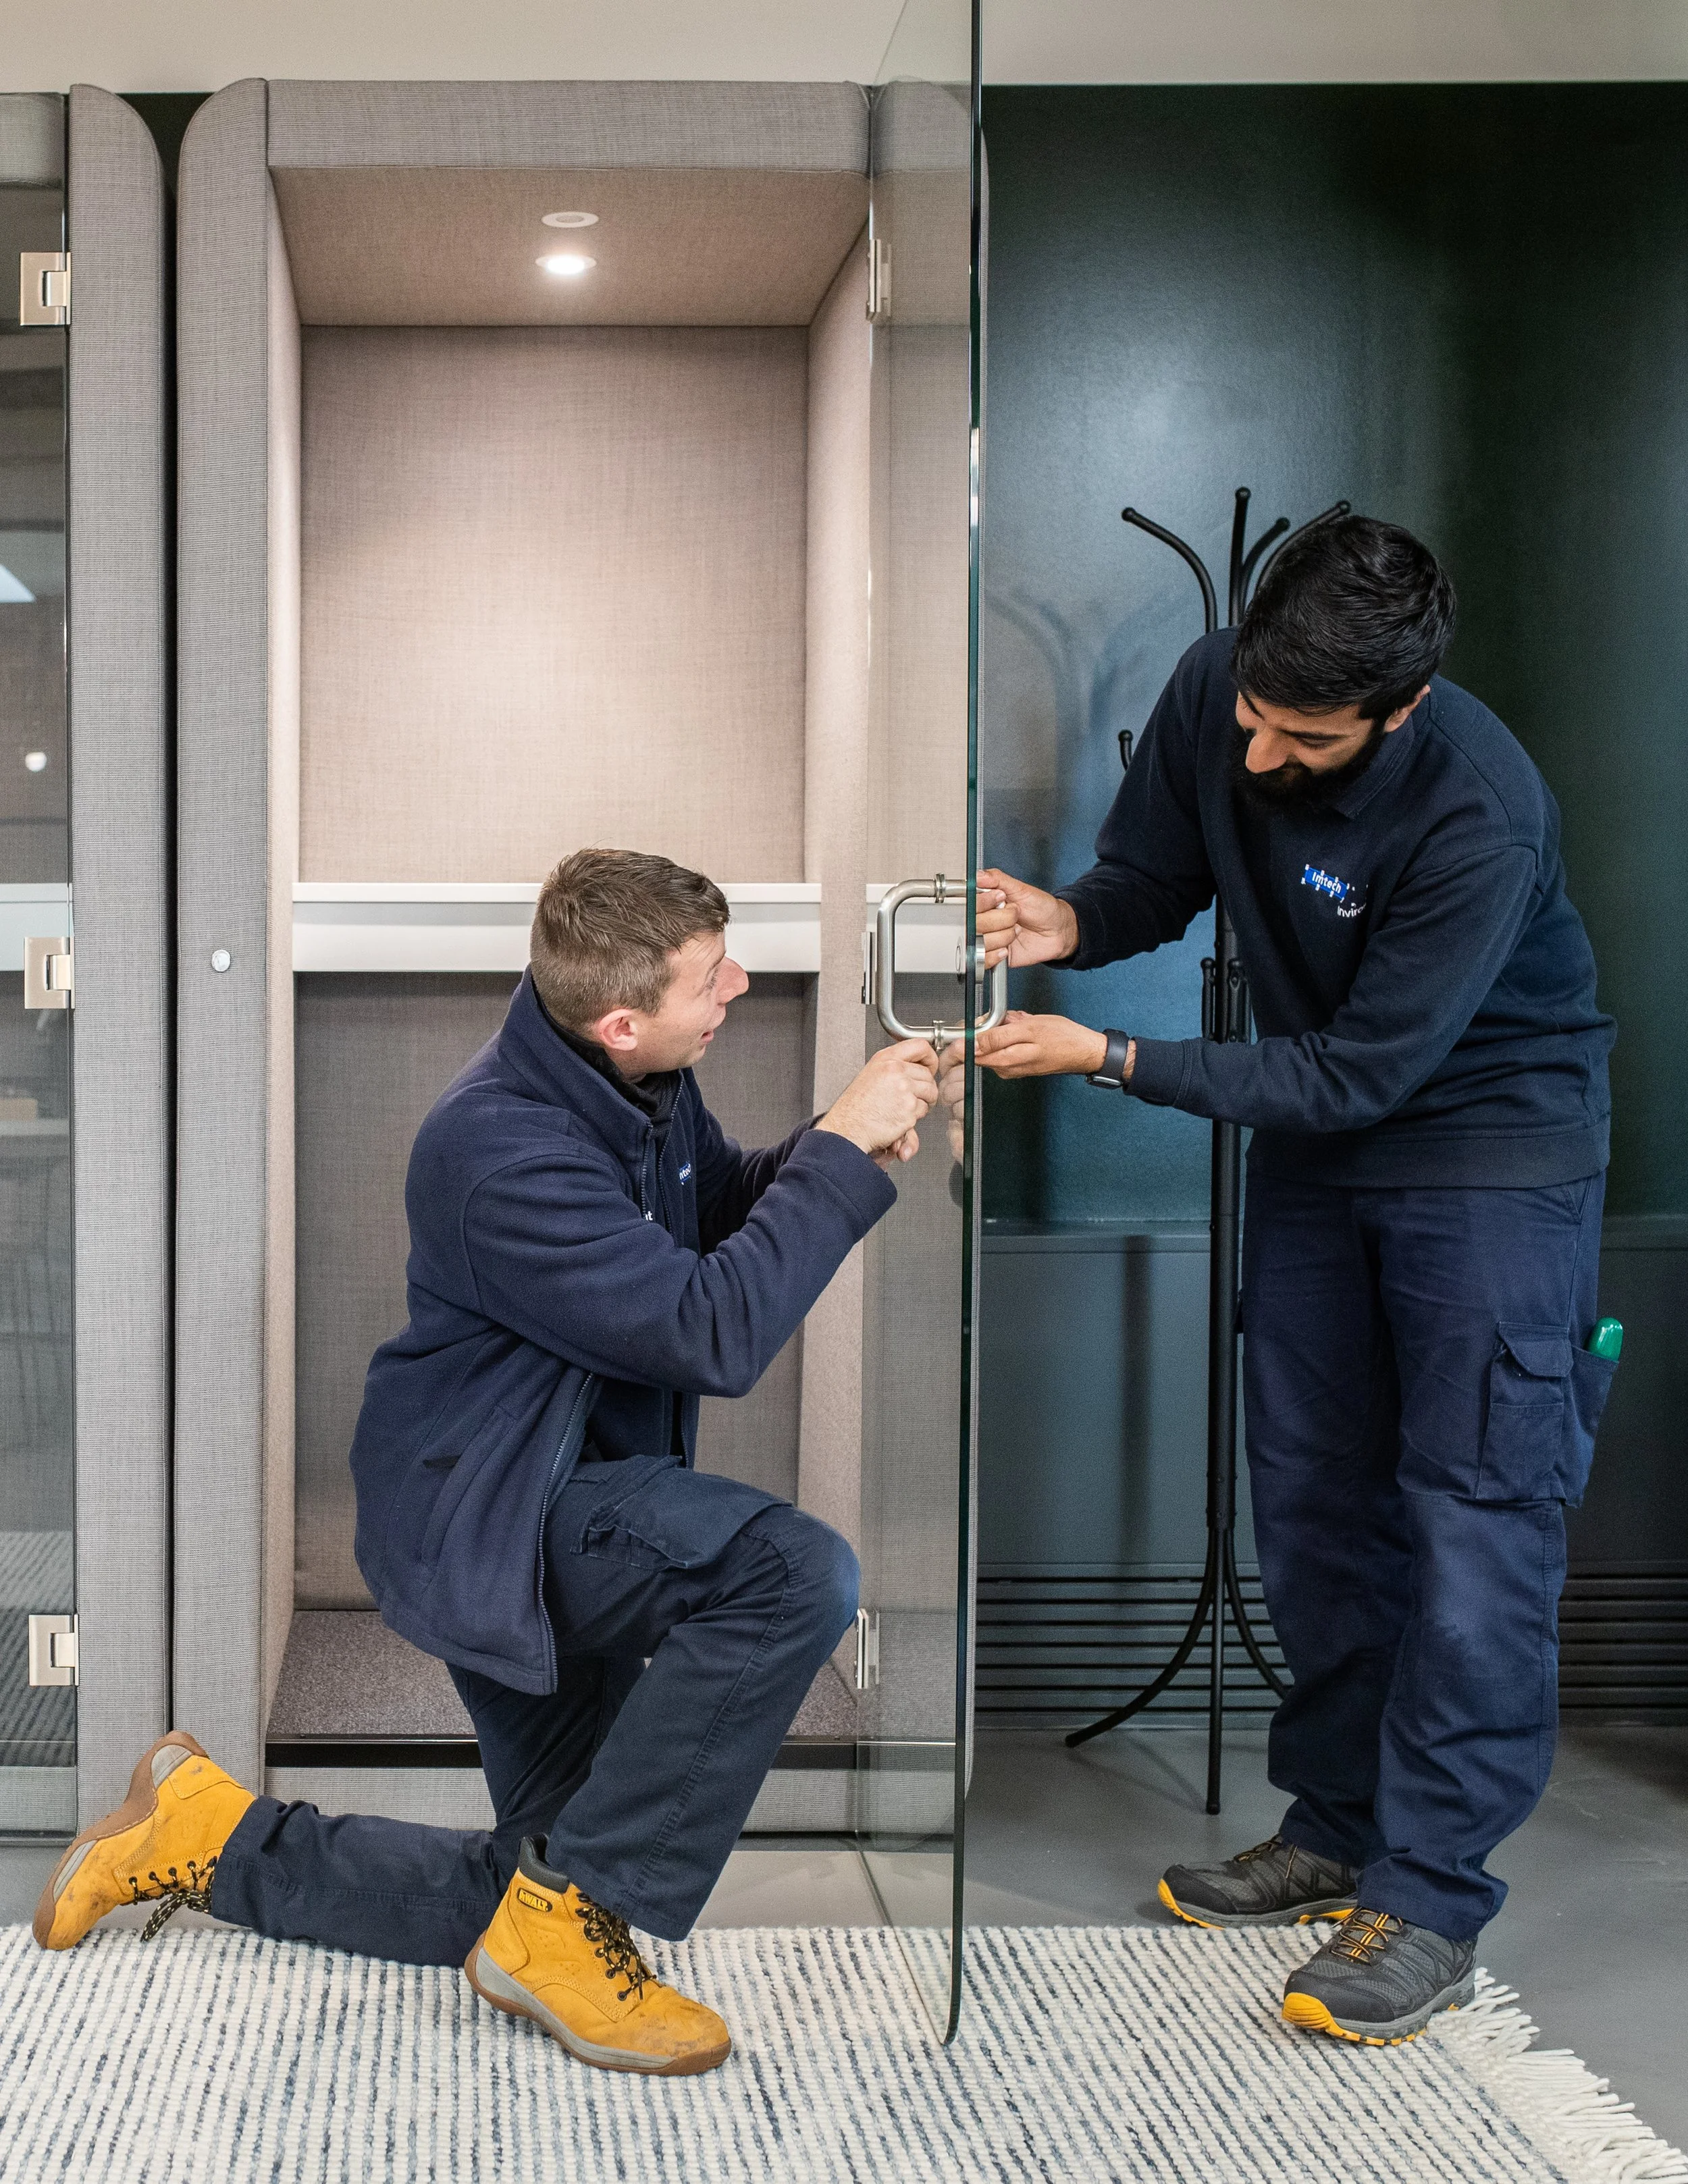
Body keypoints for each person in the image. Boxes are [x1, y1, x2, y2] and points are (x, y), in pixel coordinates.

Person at [35, 849, 940, 2078]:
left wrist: (838, 1141)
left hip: (564, 1486)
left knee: (539, 1886)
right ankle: (563, 1929)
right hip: (497, 1513)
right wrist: (838, 1148)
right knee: (793, 1572)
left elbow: (713, 1203)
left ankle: (207, 1833)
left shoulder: (630, 1075)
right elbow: (708, 1331)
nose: (738, 984)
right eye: (711, 976)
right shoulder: (499, 1148)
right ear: (622, 1018)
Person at [969, 516, 1618, 2047]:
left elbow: (1362, 1070)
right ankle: (1333, 1825)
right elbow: (1147, 873)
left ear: (1396, 711)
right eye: (1250, 714)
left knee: (1473, 1516)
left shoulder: (1476, 812)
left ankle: (1433, 1892)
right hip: (1322, 1143)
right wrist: (1068, 921)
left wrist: (1112, 1055)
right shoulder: (1227, 686)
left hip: (1485, 1149)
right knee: (1316, 1498)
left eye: (1301, 737)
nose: (1256, 754)